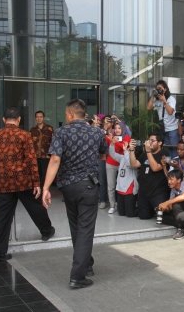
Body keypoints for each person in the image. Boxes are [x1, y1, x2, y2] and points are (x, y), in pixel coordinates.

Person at [41, 99, 107, 289]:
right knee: (85, 230)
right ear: (83, 114)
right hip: (88, 186)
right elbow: (103, 154)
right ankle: (78, 276)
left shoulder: (61, 132)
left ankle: (86, 264)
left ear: (70, 114)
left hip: (68, 187)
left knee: (76, 227)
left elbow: (55, 159)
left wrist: (46, 187)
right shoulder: (97, 132)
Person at [0, 107, 55, 262]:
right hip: (23, 181)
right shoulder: (24, 135)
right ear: (19, 119)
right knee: (35, 207)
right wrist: (36, 183)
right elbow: (31, 160)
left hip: (4, 183)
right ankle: (47, 231)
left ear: (3, 119)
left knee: (1, 217)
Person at [131, 133, 170, 220]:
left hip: (158, 192)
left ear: (160, 143)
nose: (149, 143)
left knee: (163, 217)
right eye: (149, 140)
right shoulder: (145, 154)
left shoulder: (164, 154)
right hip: (144, 192)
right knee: (143, 216)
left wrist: (148, 151)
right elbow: (134, 164)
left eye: (152, 141)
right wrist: (131, 151)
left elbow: (155, 168)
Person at [104, 122, 131, 214]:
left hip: (122, 164)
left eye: (119, 128)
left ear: (123, 129)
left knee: (121, 184)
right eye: (115, 128)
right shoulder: (111, 136)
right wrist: (109, 138)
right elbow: (105, 145)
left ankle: (121, 204)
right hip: (110, 163)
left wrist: (115, 142)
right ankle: (112, 205)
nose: (117, 130)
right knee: (110, 185)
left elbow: (125, 147)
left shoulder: (127, 137)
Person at [108, 139, 138, 218]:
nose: (128, 148)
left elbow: (129, 164)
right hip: (120, 189)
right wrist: (112, 144)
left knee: (130, 214)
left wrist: (126, 152)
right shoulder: (123, 157)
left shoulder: (135, 159)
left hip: (129, 189)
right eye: (129, 147)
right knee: (121, 213)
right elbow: (112, 154)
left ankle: (142, 208)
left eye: (131, 148)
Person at [147, 80, 178, 157]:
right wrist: (153, 96)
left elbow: (170, 112)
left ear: (165, 89)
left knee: (173, 148)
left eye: (160, 88)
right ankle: (167, 165)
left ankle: (173, 166)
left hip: (172, 128)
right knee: (165, 149)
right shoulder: (157, 101)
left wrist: (164, 101)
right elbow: (148, 108)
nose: (159, 90)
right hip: (162, 128)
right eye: (157, 89)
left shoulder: (171, 99)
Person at [30, 110, 53, 187]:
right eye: (37, 117)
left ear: (43, 118)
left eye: (41, 117)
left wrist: (52, 155)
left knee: (45, 174)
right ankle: (38, 190)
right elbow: (30, 144)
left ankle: (45, 190)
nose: (39, 118)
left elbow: (53, 142)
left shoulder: (49, 129)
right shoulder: (32, 130)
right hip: (35, 156)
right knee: (37, 174)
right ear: (35, 118)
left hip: (46, 156)